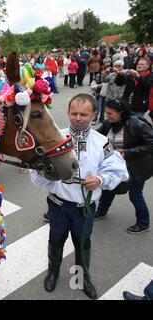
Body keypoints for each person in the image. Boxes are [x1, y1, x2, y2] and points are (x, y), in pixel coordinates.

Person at [30, 94, 129, 299]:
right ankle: (53, 272)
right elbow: (37, 172)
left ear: (93, 115)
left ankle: (82, 279)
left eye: (83, 114)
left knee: (82, 243)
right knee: (56, 239)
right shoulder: (54, 139)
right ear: (67, 113)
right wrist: (47, 173)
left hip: (85, 208)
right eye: (74, 113)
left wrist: (100, 180)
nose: (77, 118)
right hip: (57, 205)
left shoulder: (102, 143)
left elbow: (119, 170)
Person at [94, 100, 152, 234]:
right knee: (108, 187)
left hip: (138, 166)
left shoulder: (136, 124)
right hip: (116, 165)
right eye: (106, 113)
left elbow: (150, 144)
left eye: (110, 113)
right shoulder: (108, 124)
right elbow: (95, 137)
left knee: (135, 195)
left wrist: (127, 152)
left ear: (121, 113)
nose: (107, 116)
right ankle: (102, 211)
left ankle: (143, 223)